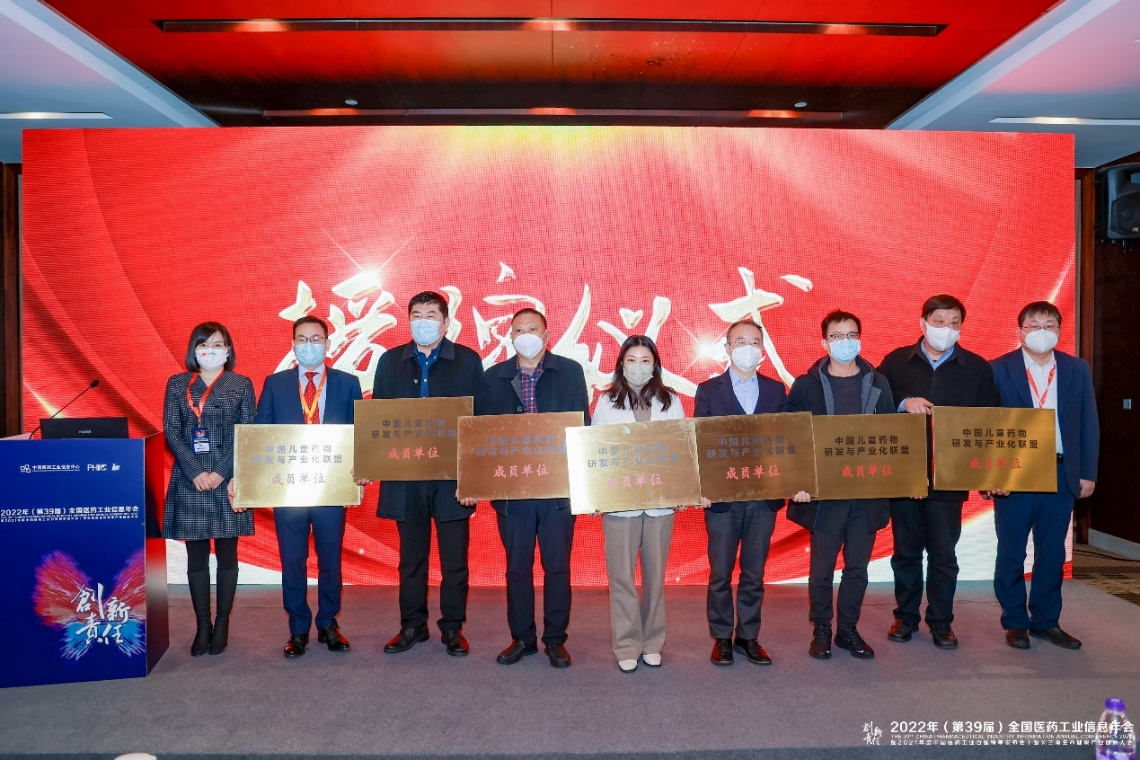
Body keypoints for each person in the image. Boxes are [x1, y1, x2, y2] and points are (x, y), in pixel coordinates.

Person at [877, 295, 1000, 650]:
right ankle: (905, 616)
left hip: (950, 476)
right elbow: (875, 404)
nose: (946, 329)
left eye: (954, 323)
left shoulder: (975, 367)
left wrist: (989, 473)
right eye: (939, 321)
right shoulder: (896, 361)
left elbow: (989, 420)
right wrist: (904, 403)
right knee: (906, 552)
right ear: (923, 323)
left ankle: (942, 622)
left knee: (944, 555)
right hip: (904, 474)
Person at [468, 308, 590, 668]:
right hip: (512, 492)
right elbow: (480, 434)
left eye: (532, 329)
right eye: (519, 330)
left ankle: (555, 640)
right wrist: (474, 479)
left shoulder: (569, 372)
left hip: (557, 491)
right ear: (510, 336)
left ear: (547, 334)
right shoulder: (493, 377)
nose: (526, 335)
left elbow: (581, 426)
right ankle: (522, 638)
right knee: (517, 569)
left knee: (557, 567)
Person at [372, 291, 484, 657]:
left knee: (455, 560)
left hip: (451, 478)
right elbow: (378, 419)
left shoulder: (467, 360)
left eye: (431, 315)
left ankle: (452, 628)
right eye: (417, 315)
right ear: (409, 321)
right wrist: (370, 463)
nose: (423, 322)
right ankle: (412, 625)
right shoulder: (390, 361)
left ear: (446, 323)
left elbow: (478, 422)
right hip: (405, 475)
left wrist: (473, 477)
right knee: (411, 559)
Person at [244, 315, 363, 658]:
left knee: (330, 559)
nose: (309, 345)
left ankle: (328, 623)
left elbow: (360, 435)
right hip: (289, 488)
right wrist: (253, 481)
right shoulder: (276, 384)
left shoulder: (347, 383)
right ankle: (298, 628)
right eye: (302, 339)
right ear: (293, 344)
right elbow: (261, 435)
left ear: (328, 344)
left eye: (316, 339)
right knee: (293, 559)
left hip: (331, 487)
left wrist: (361, 471)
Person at [987, 301, 1098, 650]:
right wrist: (991, 475)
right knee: (1011, 551)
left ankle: (1046, 621)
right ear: (1020, 331)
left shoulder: (1076, 368)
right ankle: (1015, 621)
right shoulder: (997, 368)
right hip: (1014, 473)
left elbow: (1088, 422)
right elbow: (986, 425)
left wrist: (1088, 472)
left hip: (1061, 471)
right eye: (1034, 326)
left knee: (1051, 552)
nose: (1042, 332)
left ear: (1060, 331)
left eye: (1049, 326)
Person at [786, 310, 894, 660]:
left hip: (866, 494)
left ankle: (848, 630)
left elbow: (893, 436)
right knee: (821, 569)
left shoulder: (878, 383)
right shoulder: (806, 385)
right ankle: (822, 628)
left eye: (851, 335)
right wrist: (798, 482)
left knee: (857, 569)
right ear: (824, 343)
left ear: (860, 339)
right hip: (824, 495)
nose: (845, 342)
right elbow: (792, 437)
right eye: (837, 336)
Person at [693, 319, 787, 667]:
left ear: (762, 349)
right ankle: (721, 637)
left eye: (755, 342)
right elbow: (700, 444)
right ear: (728, 348)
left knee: (754, 573)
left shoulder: (776, 390)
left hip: (762, 497)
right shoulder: (708, 390)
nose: (748, 348)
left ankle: (748, 636)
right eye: (741, 341)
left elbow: (785, 442)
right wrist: (702, 487)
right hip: (723, 498)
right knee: (720, 573)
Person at [162, 322, 256, 657]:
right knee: (196, 556)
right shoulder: (178, 384)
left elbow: (247, 431)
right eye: (204, 345)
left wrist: (220, 473)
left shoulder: (241, 384)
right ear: (194, 350)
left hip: (228, 481)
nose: (210, 351)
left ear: (228, 350)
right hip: (191, 481)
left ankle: (223, 622)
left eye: (218, 345)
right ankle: (203, 624)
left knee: (228, 554)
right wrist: (196, 471)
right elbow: (171, 431)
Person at [593, 336, 684, 673]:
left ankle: (653, 642)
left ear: (655, 365)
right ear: (621, 364)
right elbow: (597, 450)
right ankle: (627, 644)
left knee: (656, 577)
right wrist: (596, 495)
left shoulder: (671, 400)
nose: (638, 366)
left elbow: (680, 449)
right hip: (620, 504)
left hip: (660, 504)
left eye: (645, 360)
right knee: (621, 577)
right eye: (632, 359)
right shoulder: (606, 401)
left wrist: (682, 491)